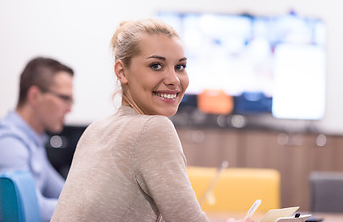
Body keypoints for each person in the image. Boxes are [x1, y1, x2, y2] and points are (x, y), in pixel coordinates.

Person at [51, 18, 254, 222]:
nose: (174, 79)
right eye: (156, 66)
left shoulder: (95, 129)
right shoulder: (152, 128)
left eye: (180, 66)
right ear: (122, 72)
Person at [0, 57, 74, 222]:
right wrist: (89, 209)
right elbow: (30, 209)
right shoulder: (4, 142)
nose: (69, 108)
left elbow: (65, 193)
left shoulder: (31, 141)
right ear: (35, 96)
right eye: (64, 98)